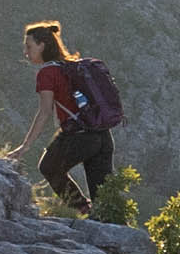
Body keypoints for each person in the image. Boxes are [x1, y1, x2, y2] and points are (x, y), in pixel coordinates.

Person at [21, 20, 122, 214]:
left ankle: (82, 208)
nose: (26, 52)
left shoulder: (47, 73)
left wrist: (25, 146)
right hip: (102, 135)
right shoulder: (71, 67)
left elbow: (44, 112)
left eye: (29, 46)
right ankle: (113, 229)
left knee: (49, 167)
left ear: (42, 45)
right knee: (105, 199)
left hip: (78, 136)